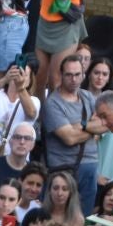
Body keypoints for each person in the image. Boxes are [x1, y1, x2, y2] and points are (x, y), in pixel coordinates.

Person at [39, 54, 100, 212]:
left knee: (84, 216)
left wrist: (78, 126)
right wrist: (91, 128)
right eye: (69, 75)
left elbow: (103, 126)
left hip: (91, 165)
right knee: (60, 215)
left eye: (77, 74)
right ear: (61, 75)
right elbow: (69, 138)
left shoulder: (88, 97)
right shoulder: (52, 103)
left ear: (83, 75)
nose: (74, 79)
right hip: (63, 169)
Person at [0, 124, 38, 200]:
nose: (22, 142)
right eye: (17, 137)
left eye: (27, 138)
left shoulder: (35, 173)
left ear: (33, 145)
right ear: (10, 141)